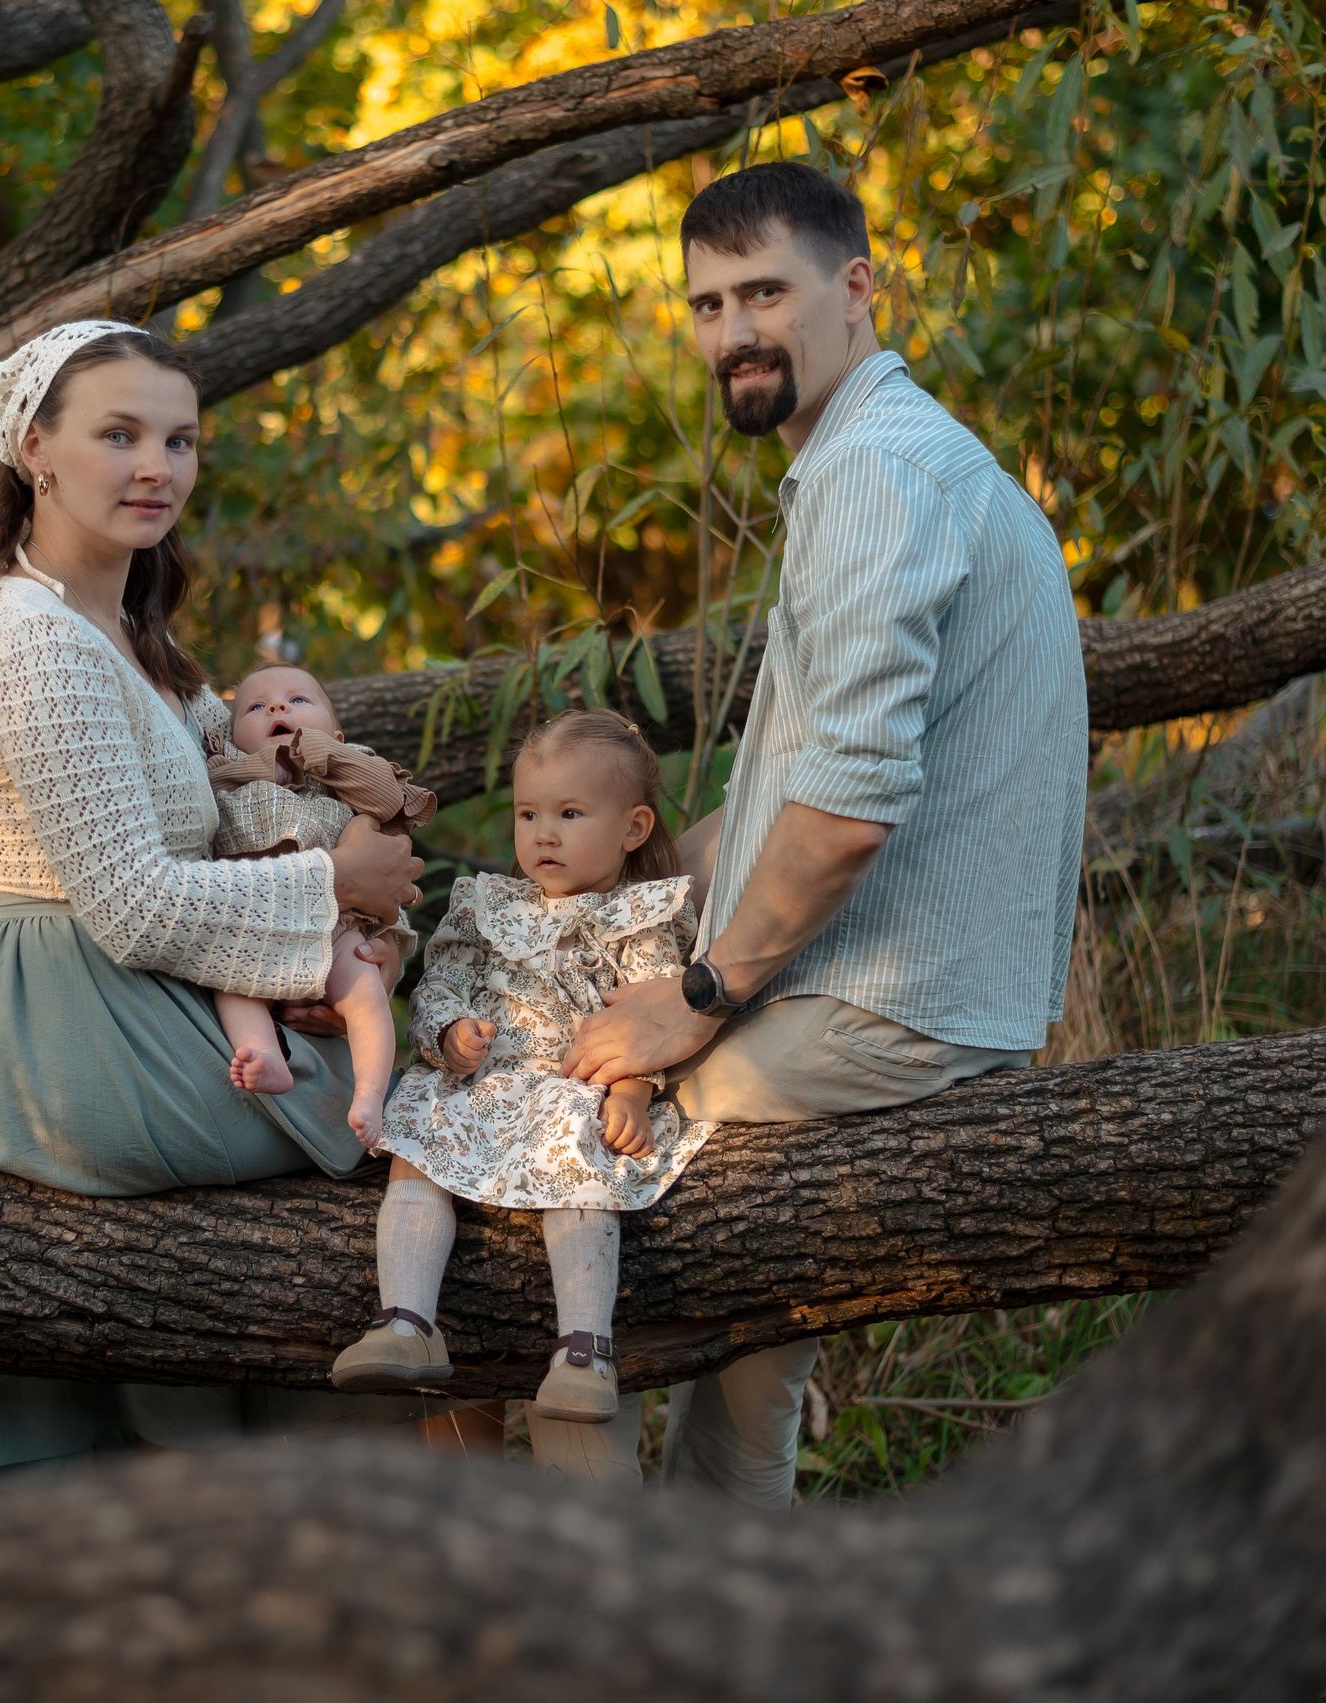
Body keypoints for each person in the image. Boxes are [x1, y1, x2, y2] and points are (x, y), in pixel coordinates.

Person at [556, 161, 1089, 1501]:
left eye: (766, 292)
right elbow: (797, 781)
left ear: (857, 290)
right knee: (755, 1352)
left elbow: (847, 817)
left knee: (557, 1130)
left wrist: (695, 996)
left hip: (888, 999)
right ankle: (722, 1605)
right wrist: (627, 905)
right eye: (706, 303)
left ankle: (573, 1596)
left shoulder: (877, 476)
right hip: (899, 984)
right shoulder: (876, 460)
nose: (733, 330)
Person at [0, 319, 429, 1502]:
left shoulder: (130, 631)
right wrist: (335, 888)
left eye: (176, 439)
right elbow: (127, 903)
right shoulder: (33, 641)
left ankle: (291, 1516)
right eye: (117, 434)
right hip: (59, 1010)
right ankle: (310, 1500)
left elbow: (226, 822)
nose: (155, 467)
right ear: (35, 449)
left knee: (403, 1054)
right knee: (399, 1106)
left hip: (137, 976)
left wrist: (351, 841)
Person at [332, 712, 708, 1429]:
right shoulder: (486, 907)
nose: (543, 833)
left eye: (570, 813)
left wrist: (632, 1087)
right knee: (419, 1126)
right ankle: (407, 1320)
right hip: (486, 1083)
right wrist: (450, 1034)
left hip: (574, 1083)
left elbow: (655, 1014)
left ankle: (583, 1349)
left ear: (632, 828)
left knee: (580, 1147)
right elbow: (441, 980)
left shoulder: (641, 916)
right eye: (528, 812)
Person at [205, 662, 436, 1147]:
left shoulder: (347, 769)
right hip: (254, 923)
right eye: (255, 707)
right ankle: (265, 1055)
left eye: (297, 700)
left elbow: (388, 796)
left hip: (337, 923)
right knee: (232, 986)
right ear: (232, 736)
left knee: (365, 993)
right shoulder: (225, 772)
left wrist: (321, 751)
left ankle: (371, 1092)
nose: (277, 707)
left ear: (337, 731)